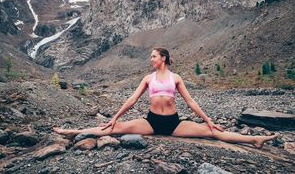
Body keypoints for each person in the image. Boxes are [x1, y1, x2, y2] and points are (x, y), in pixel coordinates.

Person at [53, 47, 277, 148]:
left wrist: (208, 120)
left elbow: (190, 102)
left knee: (212, 133)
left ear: (163, 58)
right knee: (115, 128)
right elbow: (132, 100)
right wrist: (114, 117)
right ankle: (73, 132)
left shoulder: (176, 77)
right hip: (150, 122)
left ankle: (253, 140)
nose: (150, 59)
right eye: (151, 57)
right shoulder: (148, 78)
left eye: (153, 56)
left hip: (173, 124)